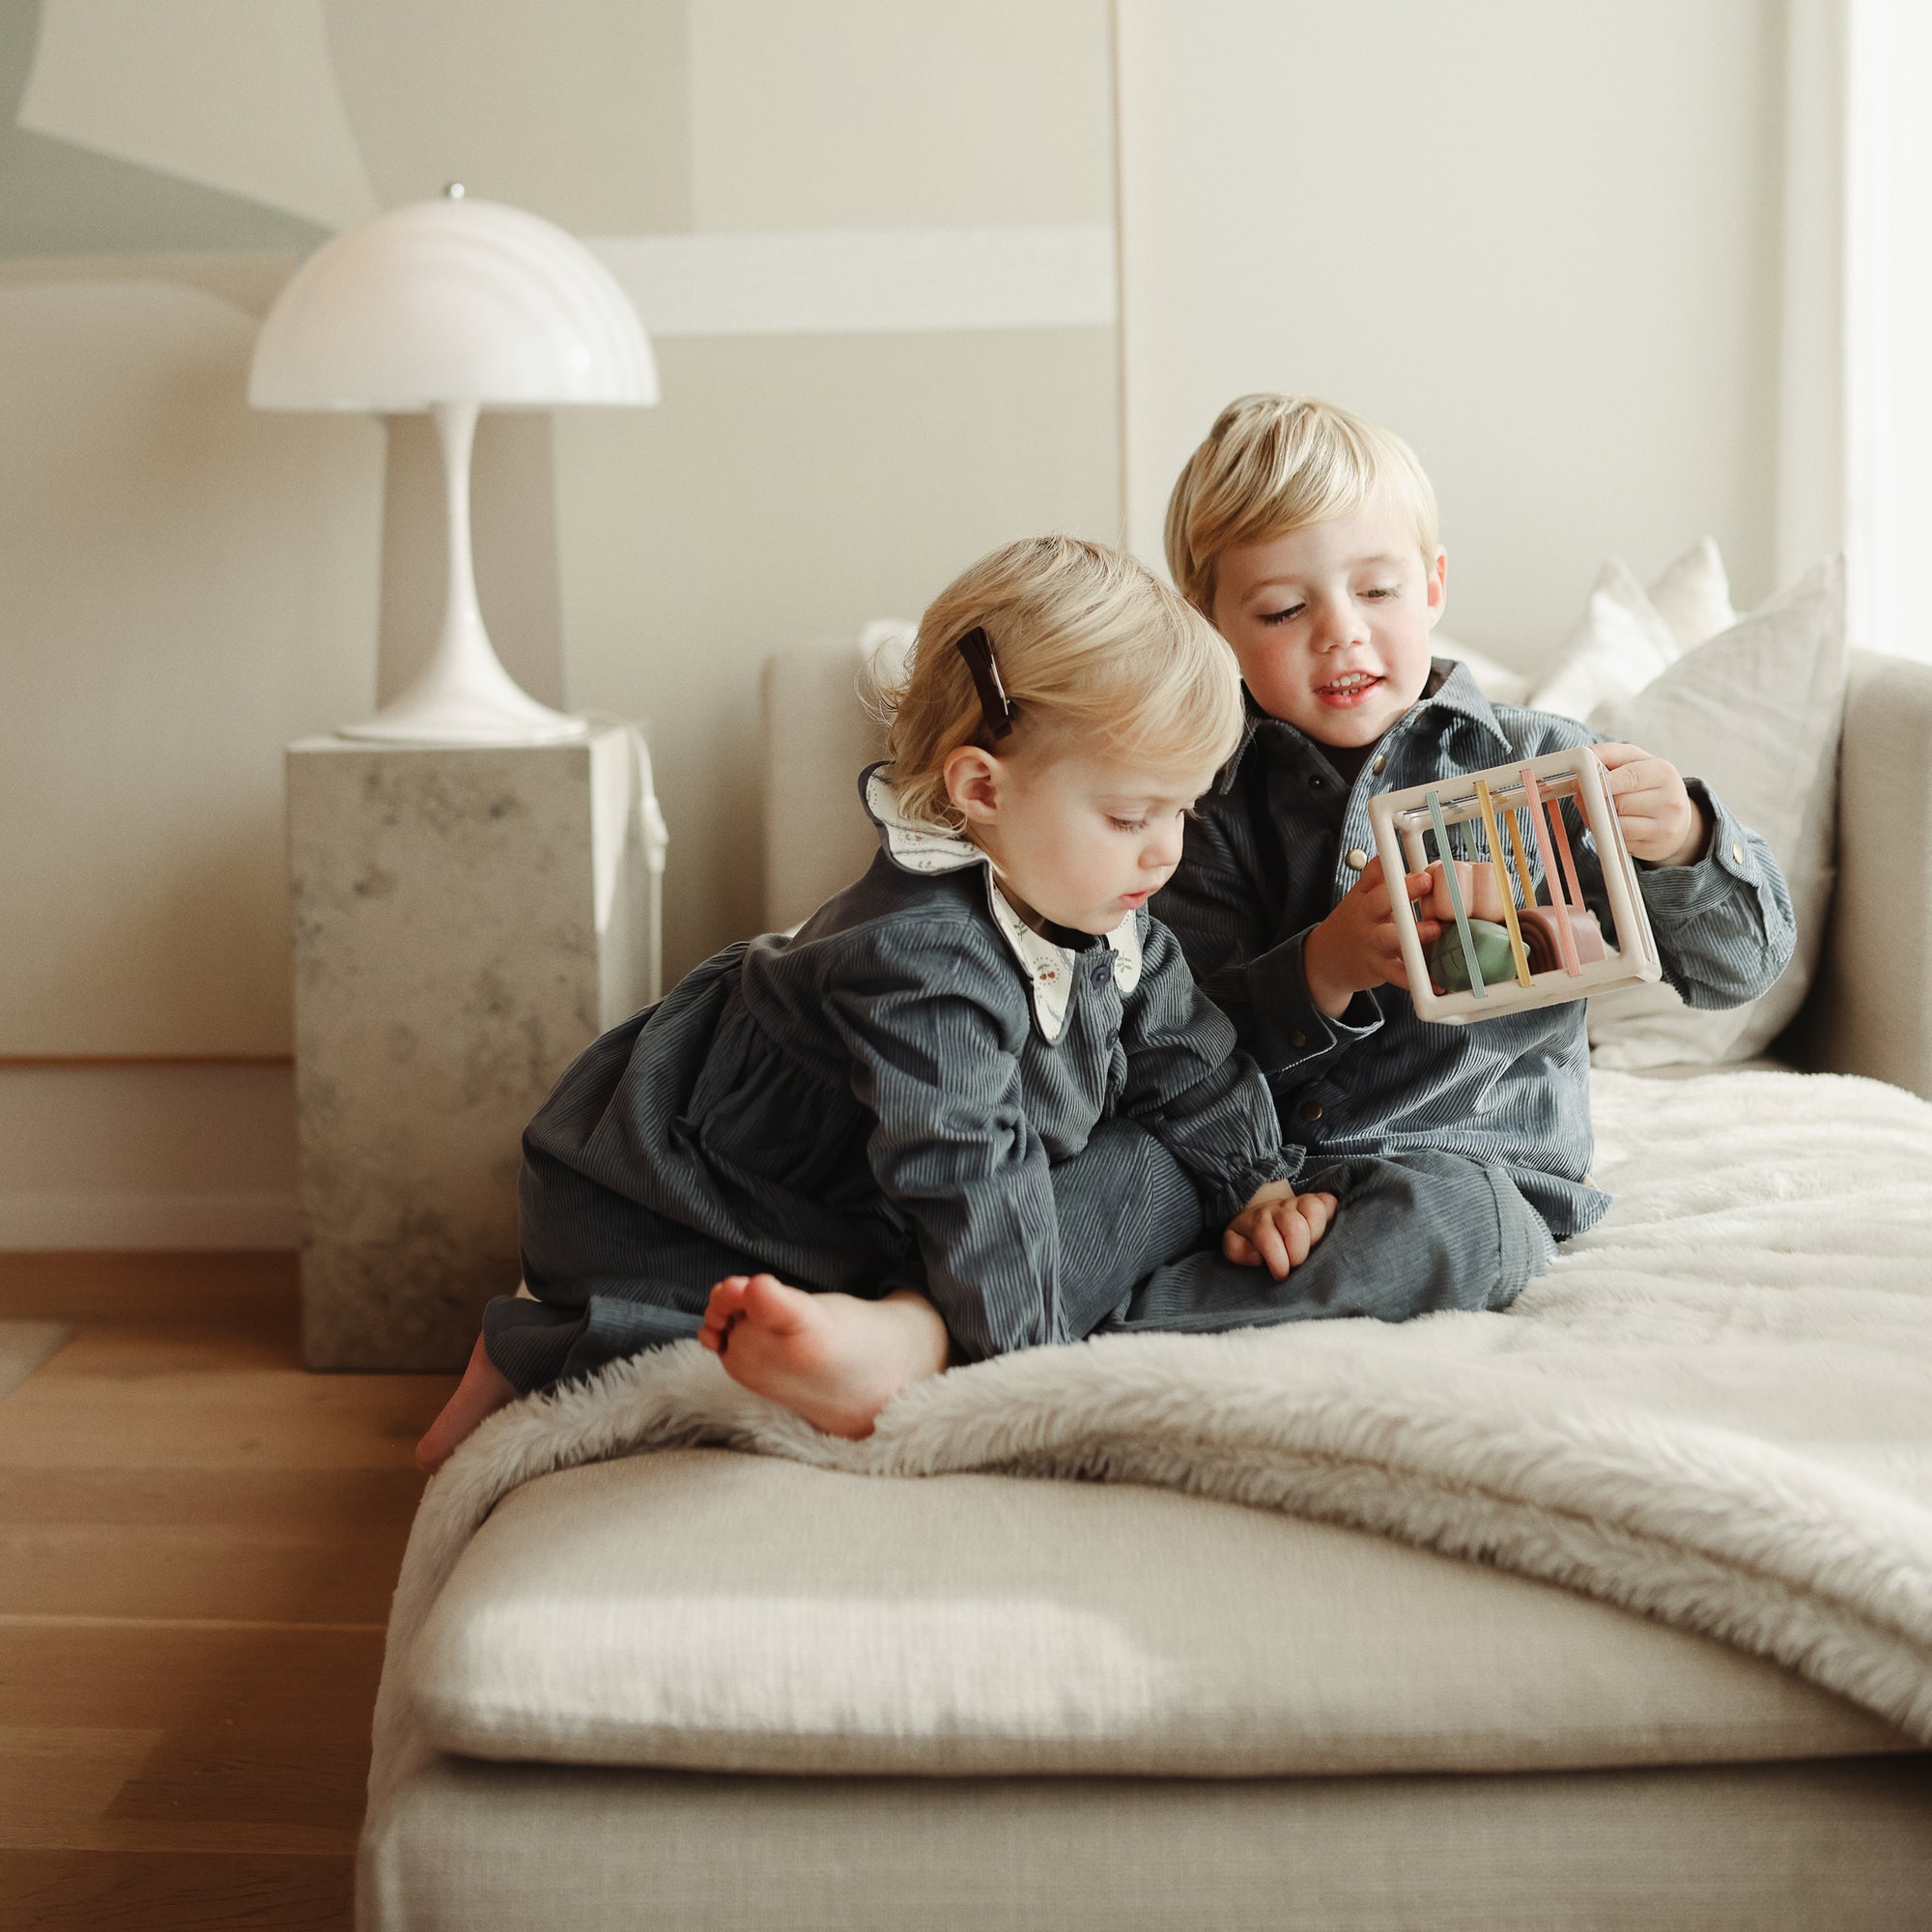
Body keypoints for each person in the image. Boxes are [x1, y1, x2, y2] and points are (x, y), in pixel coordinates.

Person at [417, 535, 1347, 1472]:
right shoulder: (923, 968)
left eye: (1182, 811)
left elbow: (1183, 1050)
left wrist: (1254, 1183)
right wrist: (1023, 1383)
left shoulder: (1107, 911)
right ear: (980, 787)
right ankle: (526, 1349)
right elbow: (968, 1180)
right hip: (685, 1196)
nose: (1164, 853)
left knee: (1167, 1167)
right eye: (1128, 816)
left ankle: (886, 1324)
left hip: (864, 1191)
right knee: (706, 1310)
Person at [1155, 393, 1796, 1311]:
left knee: (1460, 1223)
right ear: (1210, 628)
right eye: (1285, 608)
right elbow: (1173, 1038)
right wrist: (1322, 966)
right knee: (1106, 1170)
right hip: (1251, 1176)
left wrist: (1686, 842)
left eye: (1376, 591)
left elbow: (1742, 964)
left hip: (1472, 1168)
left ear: (1433, 587)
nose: (1341, 630)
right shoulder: (1199, 807)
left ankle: (1160, 1321)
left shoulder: (1541, 765)